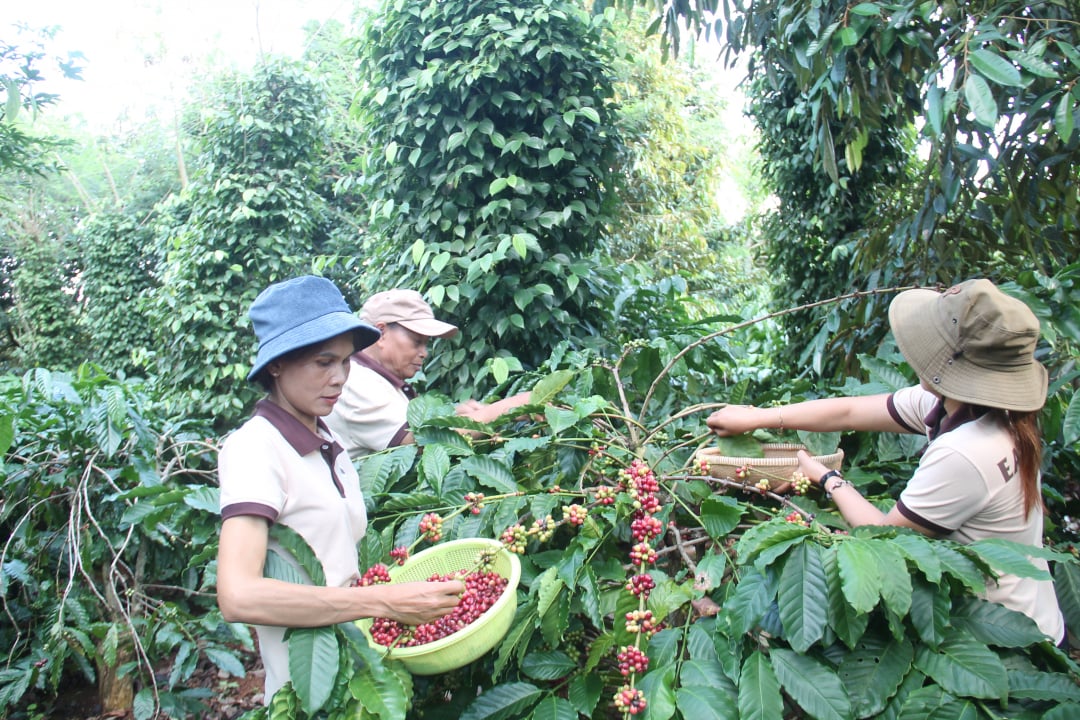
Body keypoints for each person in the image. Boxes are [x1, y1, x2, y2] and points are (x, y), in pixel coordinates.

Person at [706, 279, 1066, 645]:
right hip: (1033, 614)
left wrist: (826, 477)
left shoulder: (966, 452)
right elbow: (849, 411)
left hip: (1012, 640)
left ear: (951, 364)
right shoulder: (980, 409)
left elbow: (883, 535)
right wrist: (758, 417)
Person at [215, 276, 464, 701]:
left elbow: (339, 567)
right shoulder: (256, 447)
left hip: (362, 680)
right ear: (276, 364)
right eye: (323, 363)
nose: (339, 378)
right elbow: (238, 595)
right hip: (306, 694)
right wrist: (383, 602)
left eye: (346, 362)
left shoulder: (330, 443)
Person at [325, 288, 530, 458]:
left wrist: (454, 415)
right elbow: (424, 441)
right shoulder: (358, 384)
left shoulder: (380, 380)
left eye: (426, 344)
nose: (424, 353)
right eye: (417, 342)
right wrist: (515, 406)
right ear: (381, 332)